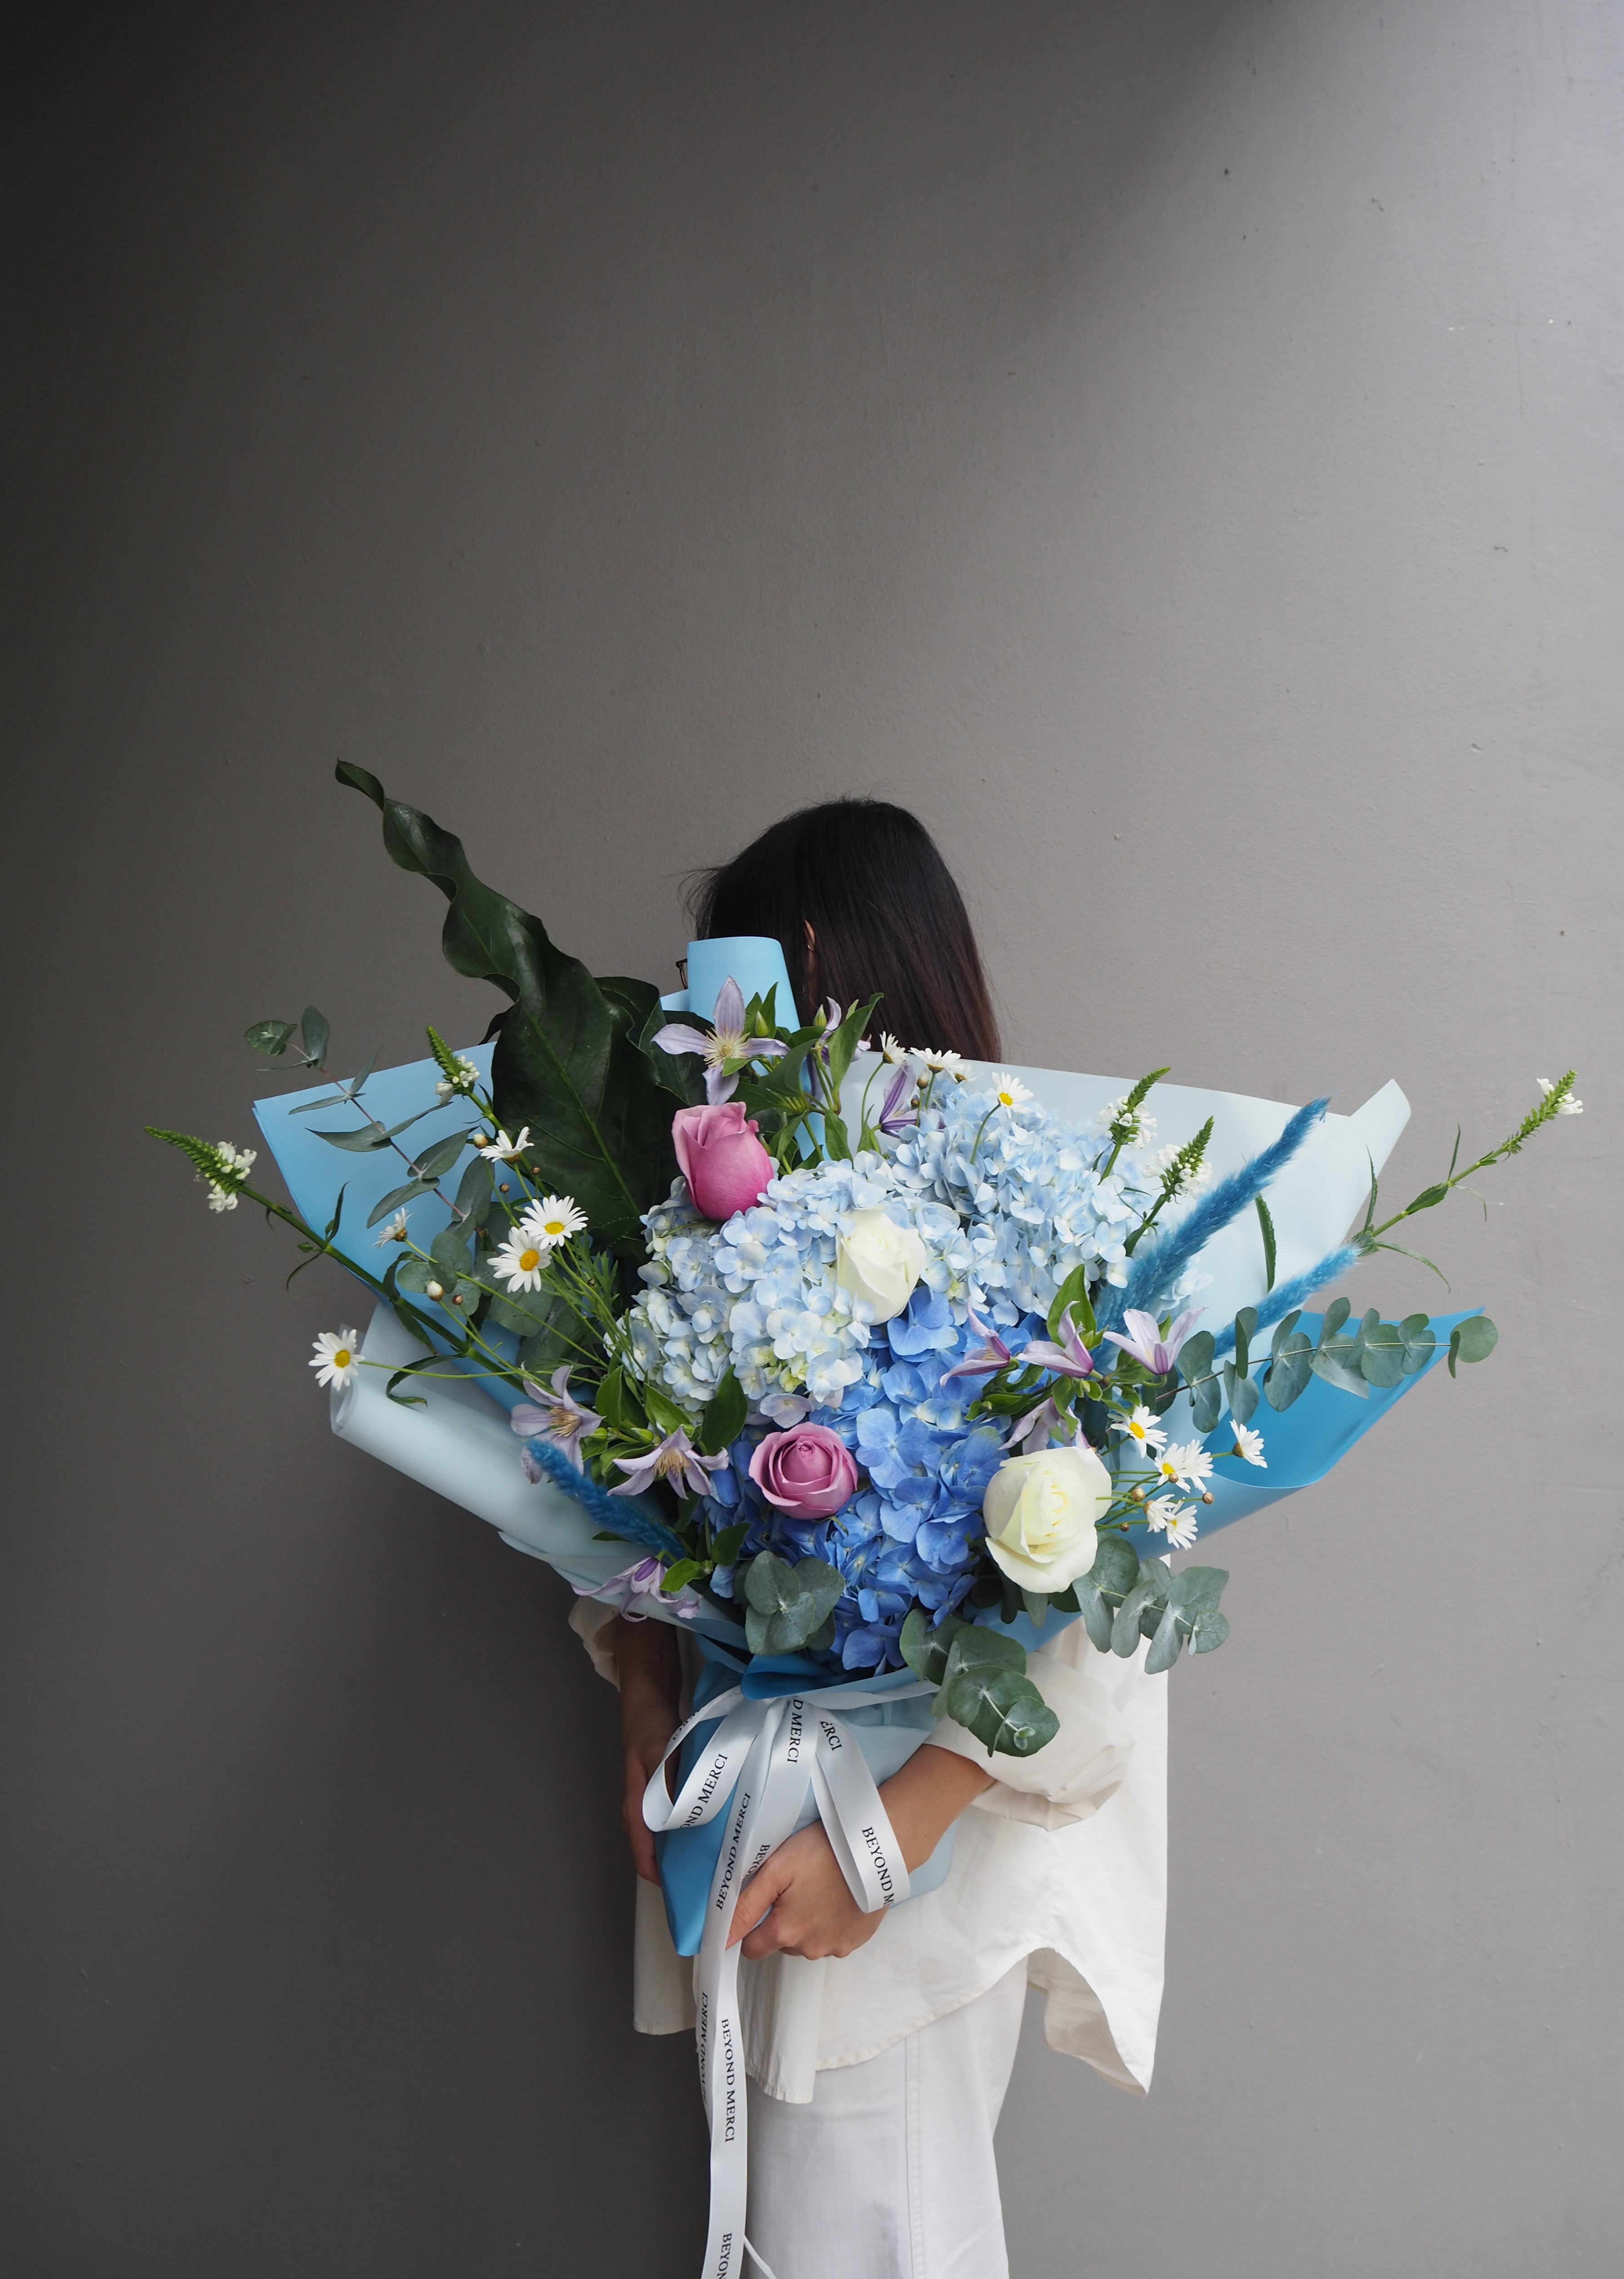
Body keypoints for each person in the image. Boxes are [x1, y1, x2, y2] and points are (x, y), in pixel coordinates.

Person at [569, 798, 1167, 2279]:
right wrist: (649, 1712)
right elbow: (658, 1530)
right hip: (764, 1844)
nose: (723, 1043)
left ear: (824, 971)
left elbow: (1103, 1606)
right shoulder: (737, 1244)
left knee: (875, 2232)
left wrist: (883, 1848)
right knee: (794, 2232)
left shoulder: (1029, 1257)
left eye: (746, 993)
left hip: (900, 1870)